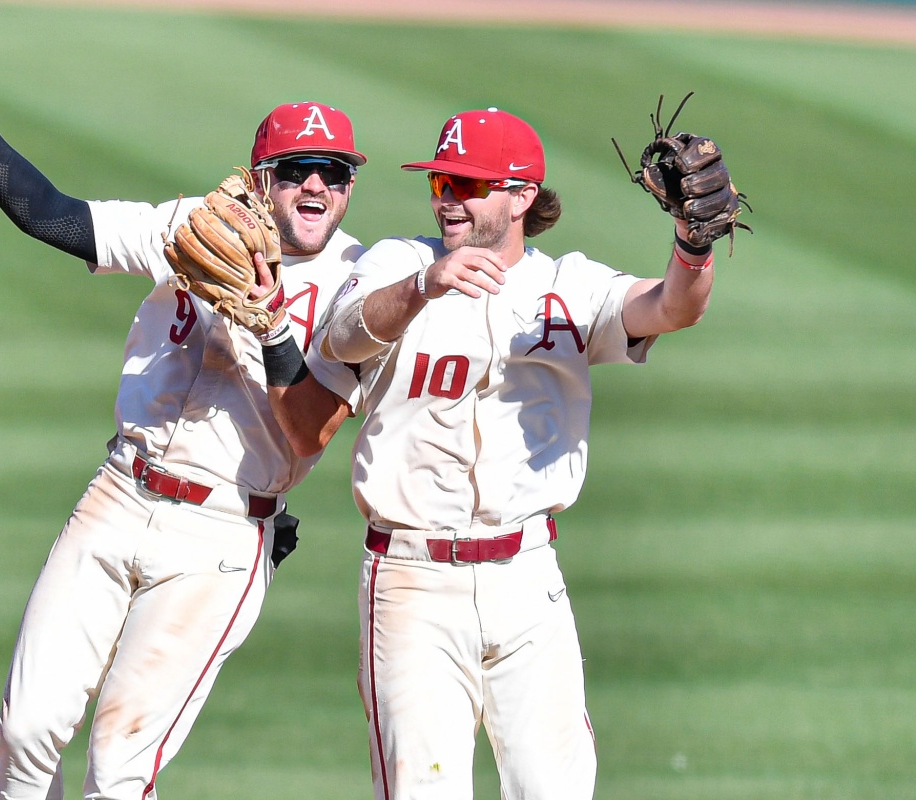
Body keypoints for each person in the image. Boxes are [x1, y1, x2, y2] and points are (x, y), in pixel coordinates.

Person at [0, 23, 367, 800]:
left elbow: (311, 433)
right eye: (295, 171)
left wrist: (272, 322)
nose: (315, 187)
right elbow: (53, 216)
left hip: (221, 535)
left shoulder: (360, 285)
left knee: (119, 768)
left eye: (333, 171)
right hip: (119, 495)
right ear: (260, 179)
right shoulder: (195, 227)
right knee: (25, 735)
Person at [254, 107, 720, 799]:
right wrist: (426, 285)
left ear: (522, 197)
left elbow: (671, 307)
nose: (448, 201)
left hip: (528, 578)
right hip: (410, 582)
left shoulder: (568, 286)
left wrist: (693, 244)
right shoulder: (400, 263)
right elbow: (342, 337)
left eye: (468, 186)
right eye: (441, 183)